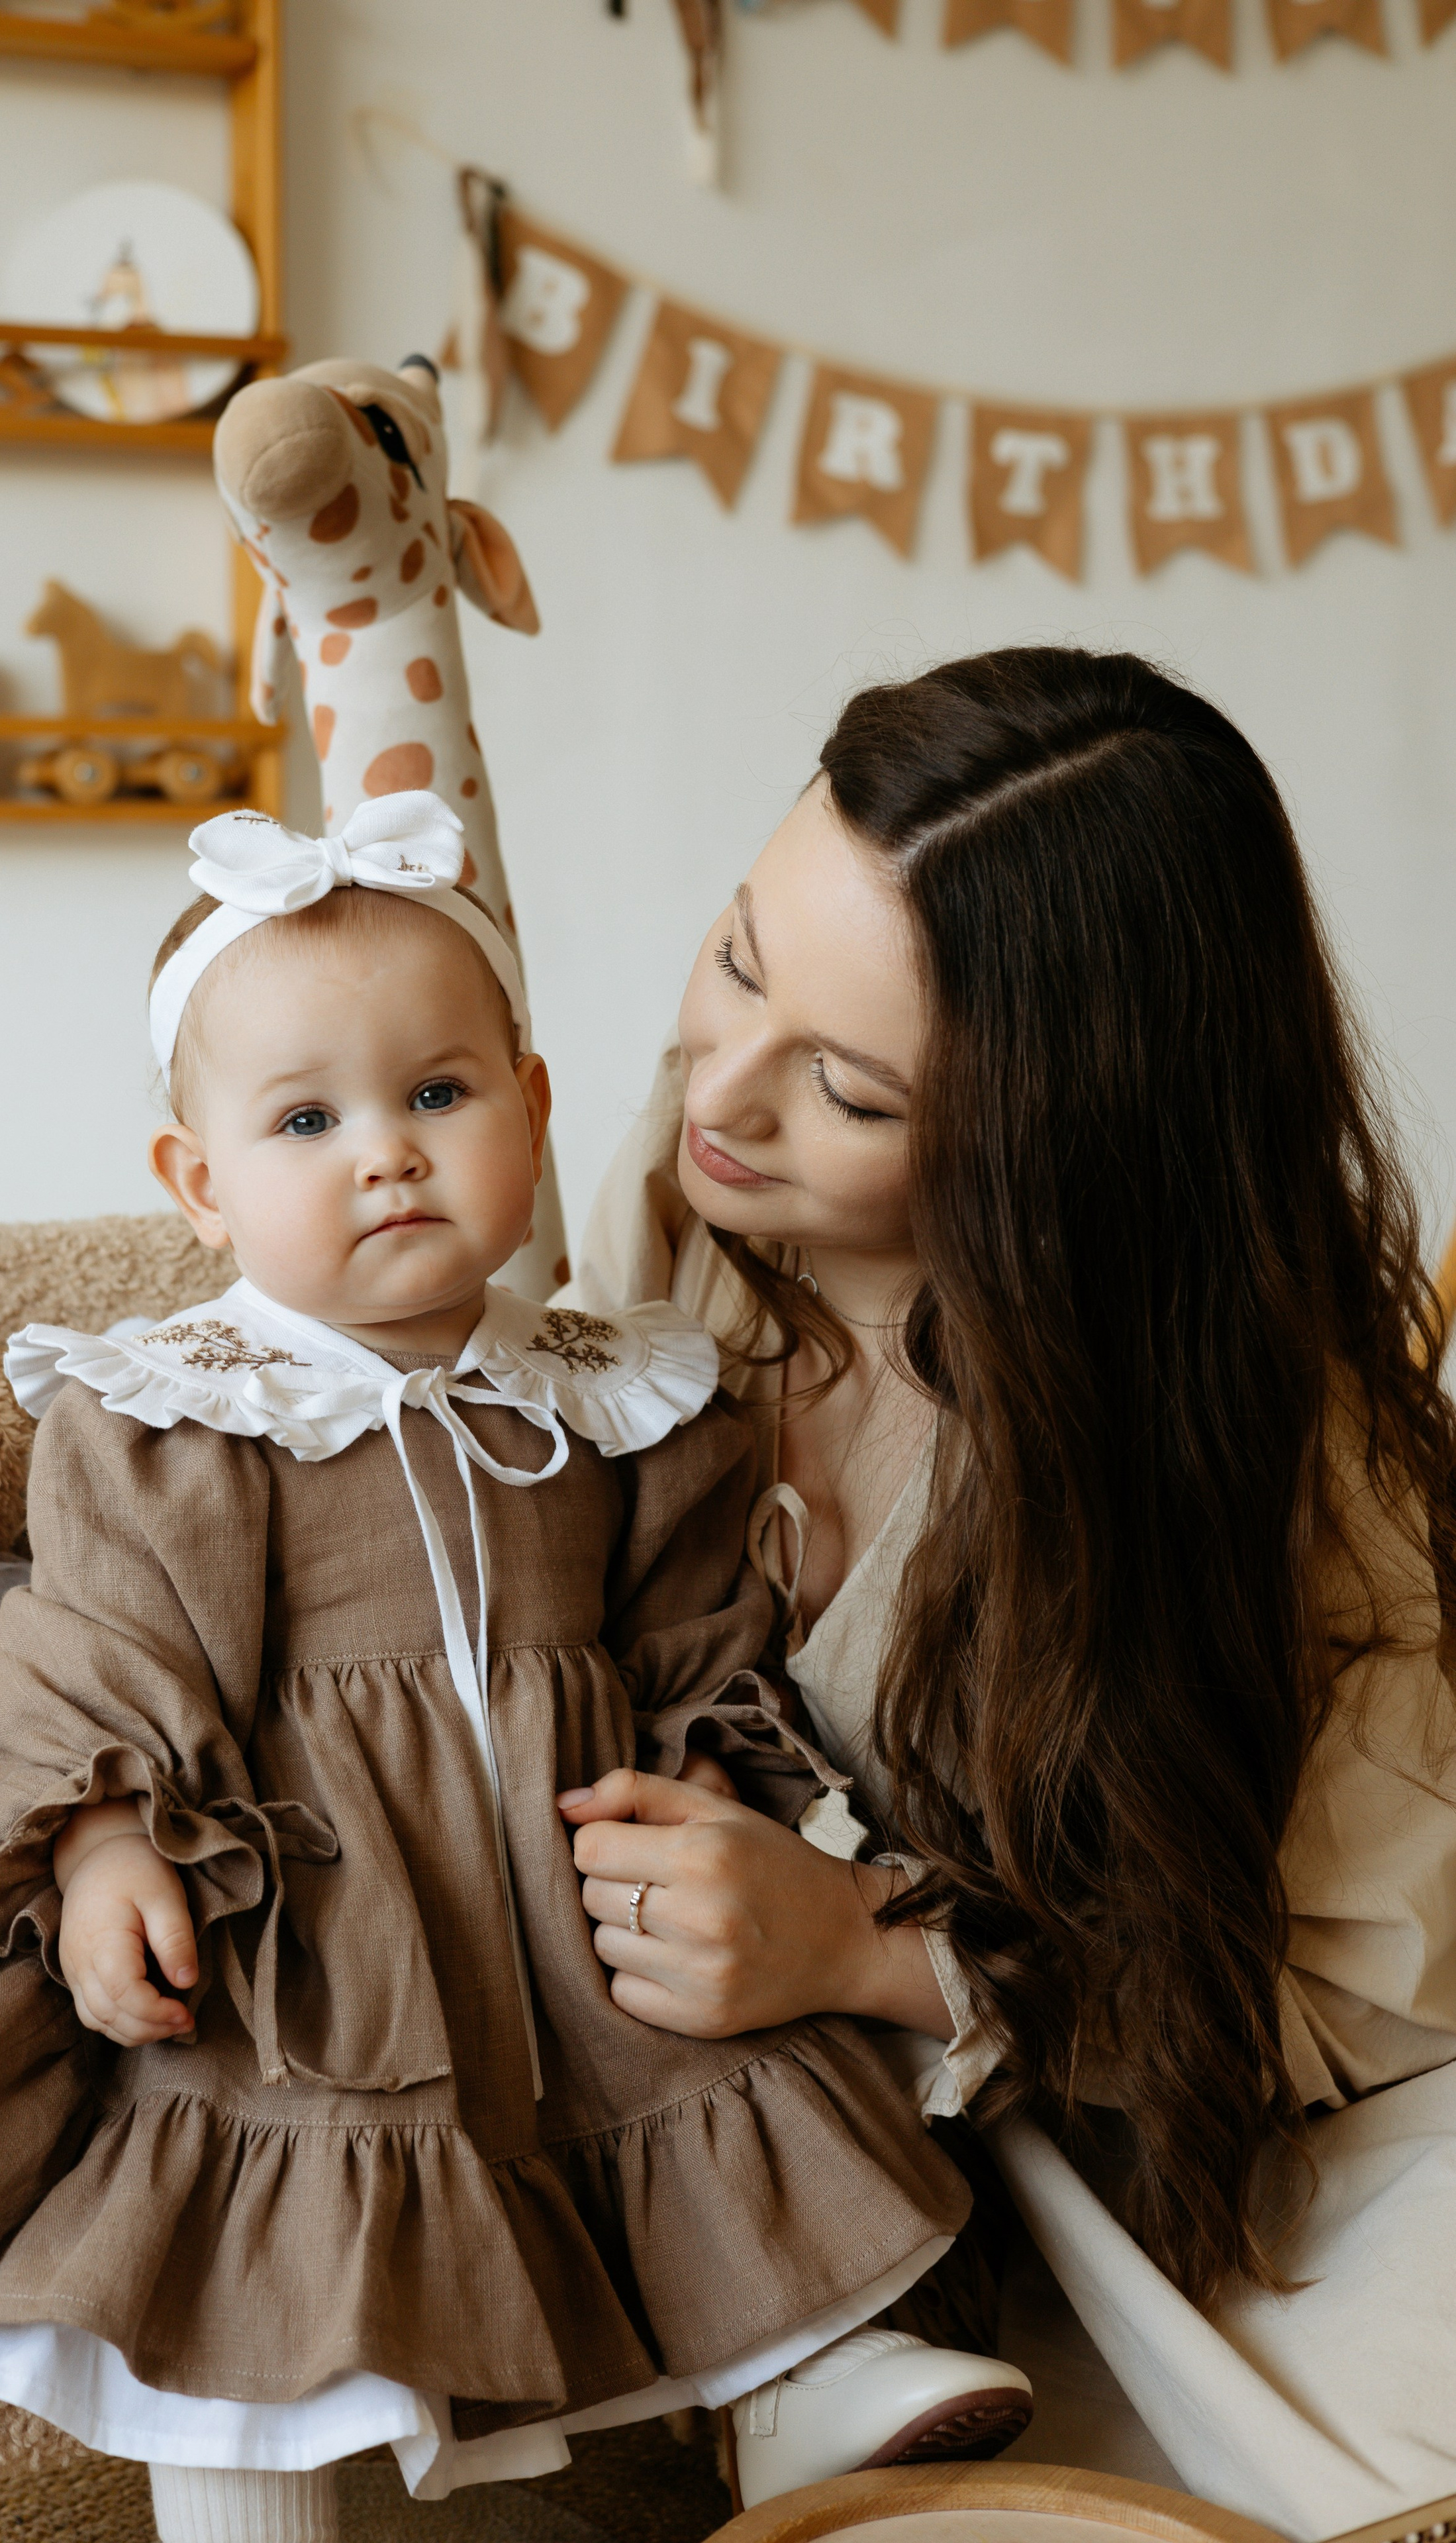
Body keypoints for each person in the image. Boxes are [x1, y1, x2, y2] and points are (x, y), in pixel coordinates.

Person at [0, 791, 1033, 2543]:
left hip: (567, 1869)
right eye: (308, 1119)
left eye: (440, 1094)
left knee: (708, 2088)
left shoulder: (611, 1386)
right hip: (308, 1908)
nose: (388, 1153)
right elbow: (94, 1654)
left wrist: (741, 1798)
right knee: (253, 2202)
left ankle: (811, 2391)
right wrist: (109, 1845)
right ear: (199, 1188)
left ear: (533, 1104)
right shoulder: (178, 1413)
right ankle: (251, 2498)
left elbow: (689, 1633)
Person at [557, 648, 1456, 2541]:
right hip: (798, 2150)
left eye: (851, 1091)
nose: (722, 1092)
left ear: (1058, 1150)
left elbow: (1355, 1994)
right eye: (737, 956)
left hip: (1219, 2171)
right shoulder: (686, 1212)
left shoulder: (1275, 1465)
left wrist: (867, 1955)